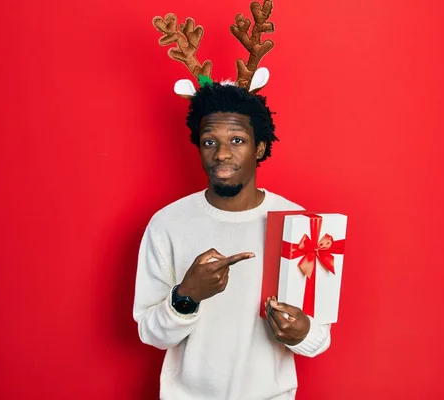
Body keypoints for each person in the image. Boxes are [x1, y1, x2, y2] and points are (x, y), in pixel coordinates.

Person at [132, 82, 331, 400]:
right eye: (209, 141)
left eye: (237, 140)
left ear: (260, 148)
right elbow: (150, 334)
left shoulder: (300, 225)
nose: (221, 153)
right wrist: (187, 297)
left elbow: (320, 338)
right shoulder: (167, 224)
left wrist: (302, 331)